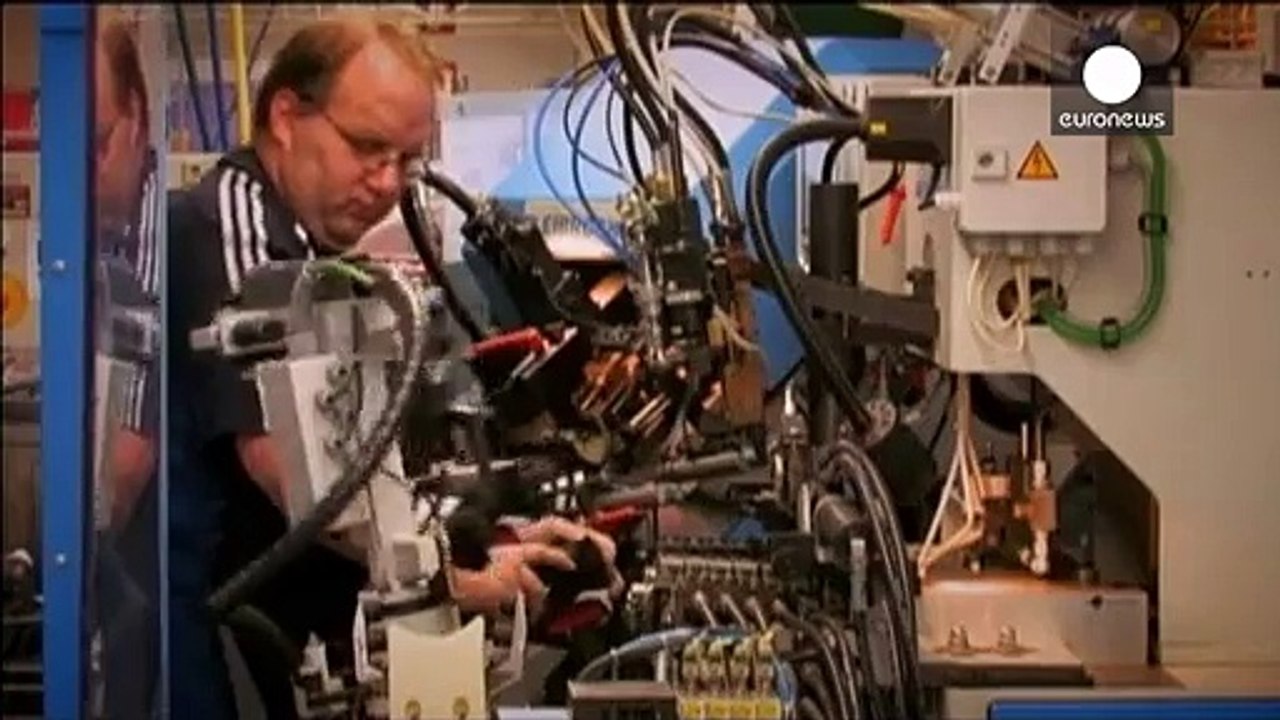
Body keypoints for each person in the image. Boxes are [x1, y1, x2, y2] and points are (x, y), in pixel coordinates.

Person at [167, 16, 618, 718]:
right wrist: (463, 580)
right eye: (367, 147)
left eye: (406, 159)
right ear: (286, 116)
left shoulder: (312, 251)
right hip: (209, 644)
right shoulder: (236, 228)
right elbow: (299, 474)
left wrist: (492, 541)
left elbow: (368, 472)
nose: (386, 182)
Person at [93, 16, 162, 719]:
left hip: (146, 571)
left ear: (137, 117)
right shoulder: (100, 236)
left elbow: (118, 476)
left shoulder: (151, 247)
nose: (79, 173)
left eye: (96, 144)